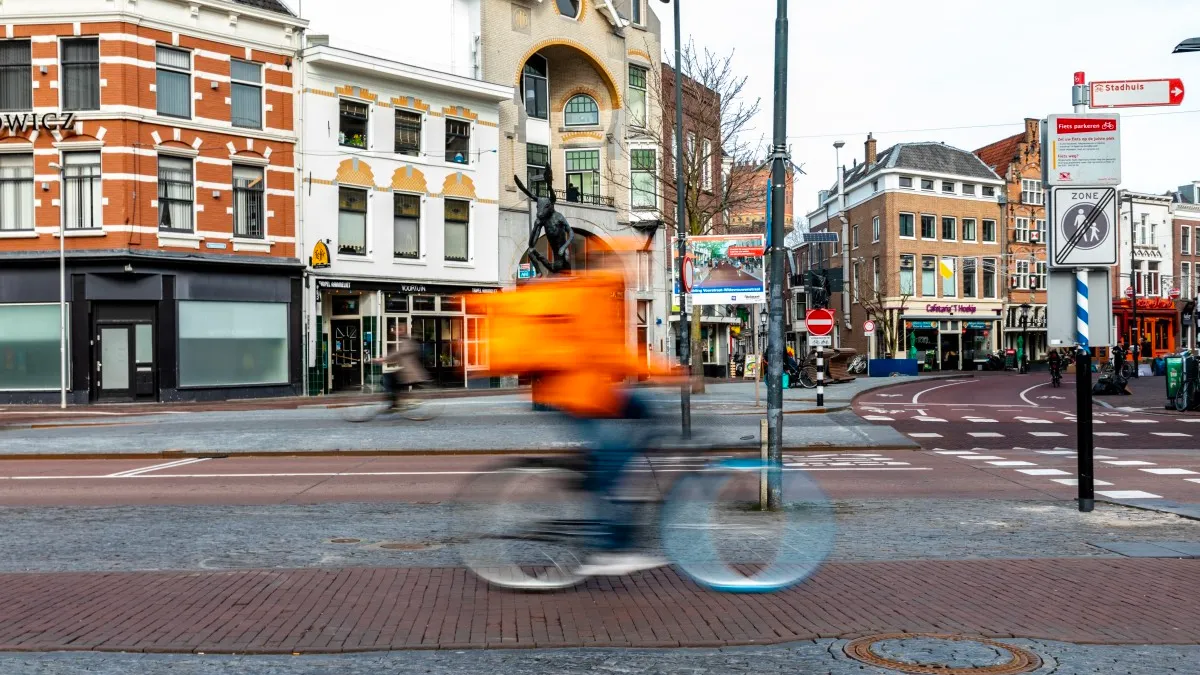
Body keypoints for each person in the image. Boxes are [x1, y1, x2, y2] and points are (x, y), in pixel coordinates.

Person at [372, 323, 429, 410]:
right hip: (405, 371)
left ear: (403, 331)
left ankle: (396, 403)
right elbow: (397, 356)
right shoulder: (404, 340)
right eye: (395, 330)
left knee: (387, 378)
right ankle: (396, 401)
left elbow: (398, 354)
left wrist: (382, 359)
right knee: (388, 380)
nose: (395, 332)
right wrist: (383, 359)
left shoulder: (407, 341)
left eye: (398, 330)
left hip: (409, 373)